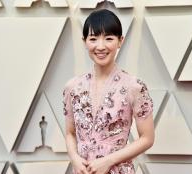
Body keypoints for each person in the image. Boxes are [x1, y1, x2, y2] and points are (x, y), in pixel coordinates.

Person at [63, 9, 154, 174]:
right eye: (93, 39)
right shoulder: (72, 87)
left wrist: (108, 161)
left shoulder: (135, 87)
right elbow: (70, 132)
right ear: (84, 42)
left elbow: (147, 138)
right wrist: (74, 158)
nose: (100, 46)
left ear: (120, 41)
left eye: (109, 38)